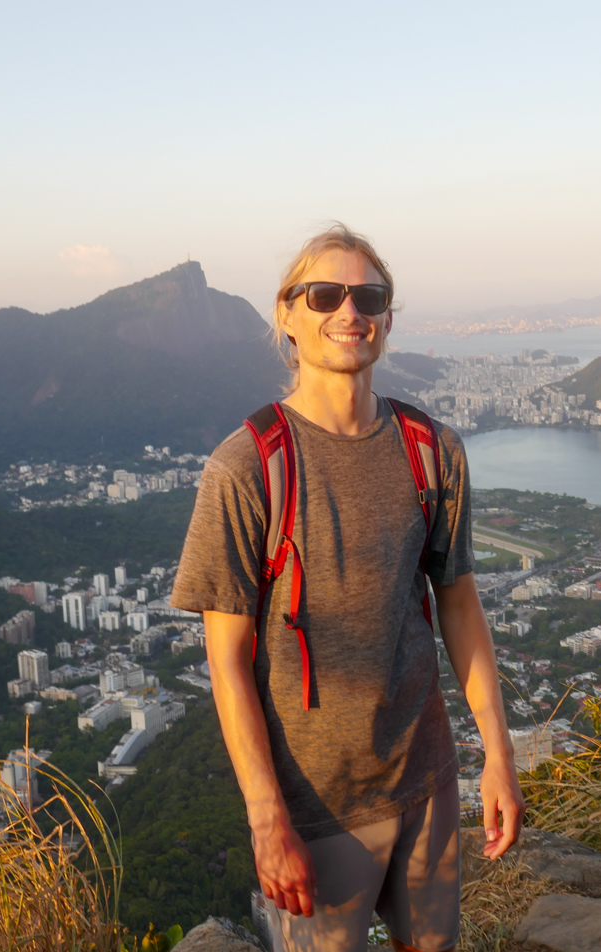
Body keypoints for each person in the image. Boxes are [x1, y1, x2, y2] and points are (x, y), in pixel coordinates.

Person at [170, 225, 524, 952]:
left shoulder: (431, 451)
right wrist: (267, 818)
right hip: (318, 803)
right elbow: (227, 662)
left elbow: (458, 605)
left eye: (369, 296)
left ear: (388, 318)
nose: (349, 311)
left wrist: (498, 753)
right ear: (288, 317)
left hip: (426, 776)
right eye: (324, 294)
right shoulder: (246, 468)